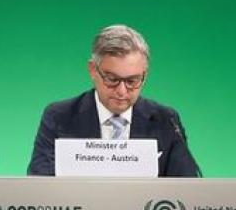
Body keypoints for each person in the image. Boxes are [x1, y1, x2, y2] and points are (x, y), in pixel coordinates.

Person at [28, 24, 201, 177]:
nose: (121, 91)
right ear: (92, 70)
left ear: (144, 76)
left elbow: (188, 189)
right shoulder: (59, 117)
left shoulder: (166, 121)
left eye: (132, 81)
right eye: (112, 79)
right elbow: (41, 186)